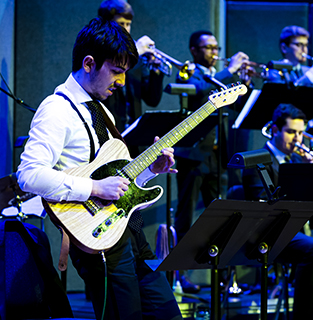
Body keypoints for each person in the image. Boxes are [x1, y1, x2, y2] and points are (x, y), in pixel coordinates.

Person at [16, 17, 182, 320]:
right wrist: (93, 188)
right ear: (89, 63)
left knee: (168, 315)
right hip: (100, 242)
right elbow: (28, 175)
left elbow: (117, 178)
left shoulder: (102, 110)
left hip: (131, 232)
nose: (121, 82)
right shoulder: (56, 110)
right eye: (116, 72)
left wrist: (152, 170)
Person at [243, 103, 313, 320]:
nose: (297, 140)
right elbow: (265, 205)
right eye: (290, 132)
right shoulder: (256, 159)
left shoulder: (298, 160)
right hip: (266, 233)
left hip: (296, 228)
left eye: (300, 133)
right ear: (275, 130)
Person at [173, 30, 249, 240]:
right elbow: (199, 91)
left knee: (220, 215)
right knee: (185, 214)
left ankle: (219, 268)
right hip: (193, 153)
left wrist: (245, 83)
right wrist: (230, 69)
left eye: (216, 48)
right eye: (208, 48)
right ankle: (179, 271)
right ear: (194, 50)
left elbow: (235, 107)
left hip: (217, 154)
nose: (214, 52)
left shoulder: (219, 75)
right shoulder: (187, 72)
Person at [98, 0, 165, 136]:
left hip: (134, 136)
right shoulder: (99, 51)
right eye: (120, 24)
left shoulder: (138, 59)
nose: (125, 29)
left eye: (128, 24)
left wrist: (155, 71)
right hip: (108, 134)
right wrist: (135, 52)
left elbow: (152, 100)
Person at [265, 25, 313, 89]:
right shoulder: (274, 71)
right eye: (299, 45)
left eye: (306, 45)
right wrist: (312, 73)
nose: (304, 49)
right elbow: (287, 96)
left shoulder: (309, 71)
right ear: (284, 48)